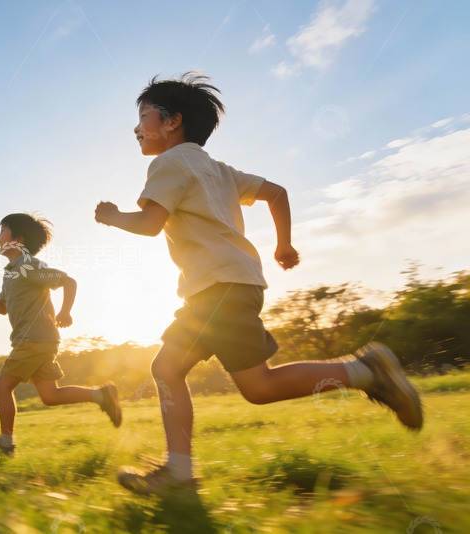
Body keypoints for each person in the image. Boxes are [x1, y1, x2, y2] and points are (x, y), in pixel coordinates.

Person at [94, 73, 422, 495]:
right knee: (169, 368)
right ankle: (178, 473)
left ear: (173, 121)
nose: (136, 127)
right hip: (230, 284)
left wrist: (112, 216)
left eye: (144, 116)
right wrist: (283, 245)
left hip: (218, 288)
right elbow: (278, 193)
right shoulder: (218, 170)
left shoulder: (168, 163)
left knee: (258, 387)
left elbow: (150, 224)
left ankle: (366, 371)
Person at [0, 213, 122, 456]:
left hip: (34, 340)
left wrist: (65, 312)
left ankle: (5, 445)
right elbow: (3, 308)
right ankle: (101, 395)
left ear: (18, 240)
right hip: (39, 340)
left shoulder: (28, 265)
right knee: (50, 396)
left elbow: (68, 282)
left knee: (2, 386)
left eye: (2, 232)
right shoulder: (10, 272)